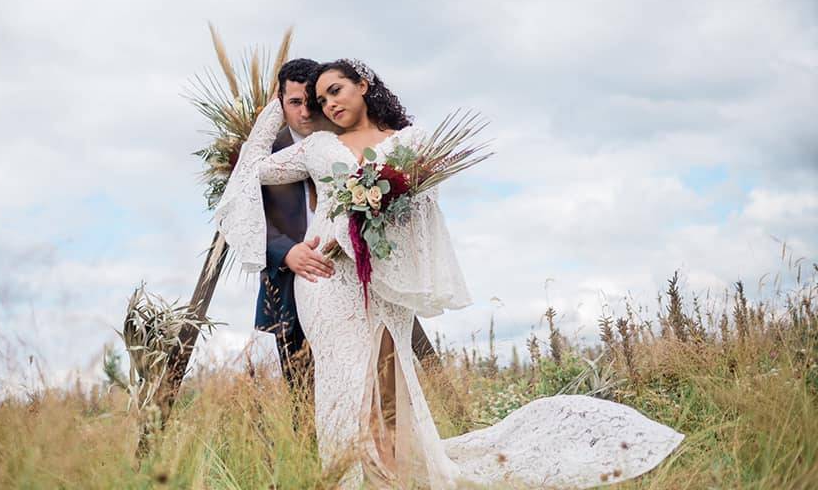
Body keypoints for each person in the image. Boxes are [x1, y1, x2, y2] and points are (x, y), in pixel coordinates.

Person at [216, 59, 683, 488]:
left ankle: (394, 473)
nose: (330, 104)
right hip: (326, 282)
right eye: (321, 101)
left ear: (364, 84)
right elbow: (251, 171)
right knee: (342, 379)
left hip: (381, 282)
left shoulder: (411, 143)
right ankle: (347, 478)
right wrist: (273, 113)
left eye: (336, 90)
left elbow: (419, 216)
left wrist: (364, 218)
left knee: (389, 376)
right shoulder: (317, 148)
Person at [256, 58, 332, 391]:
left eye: (311, 102)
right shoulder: (260, 155)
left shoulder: (344, 147)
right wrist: (286, 252)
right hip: (289, 284)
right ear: (280, 103)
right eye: (295, 103)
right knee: (303, 393)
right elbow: (243, 220)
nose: (305, 112)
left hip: (347, 279)